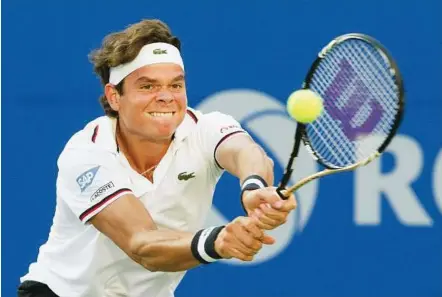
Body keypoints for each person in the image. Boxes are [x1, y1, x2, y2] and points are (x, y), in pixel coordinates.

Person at [18, 19, 297, 297]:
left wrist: (254, 188)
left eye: (175, 85)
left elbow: (245, 152)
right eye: (148, 87)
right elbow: (142, 244)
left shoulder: (206, 128)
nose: (166, 97)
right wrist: (217, 241)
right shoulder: (86, 154)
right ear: (114, 97)